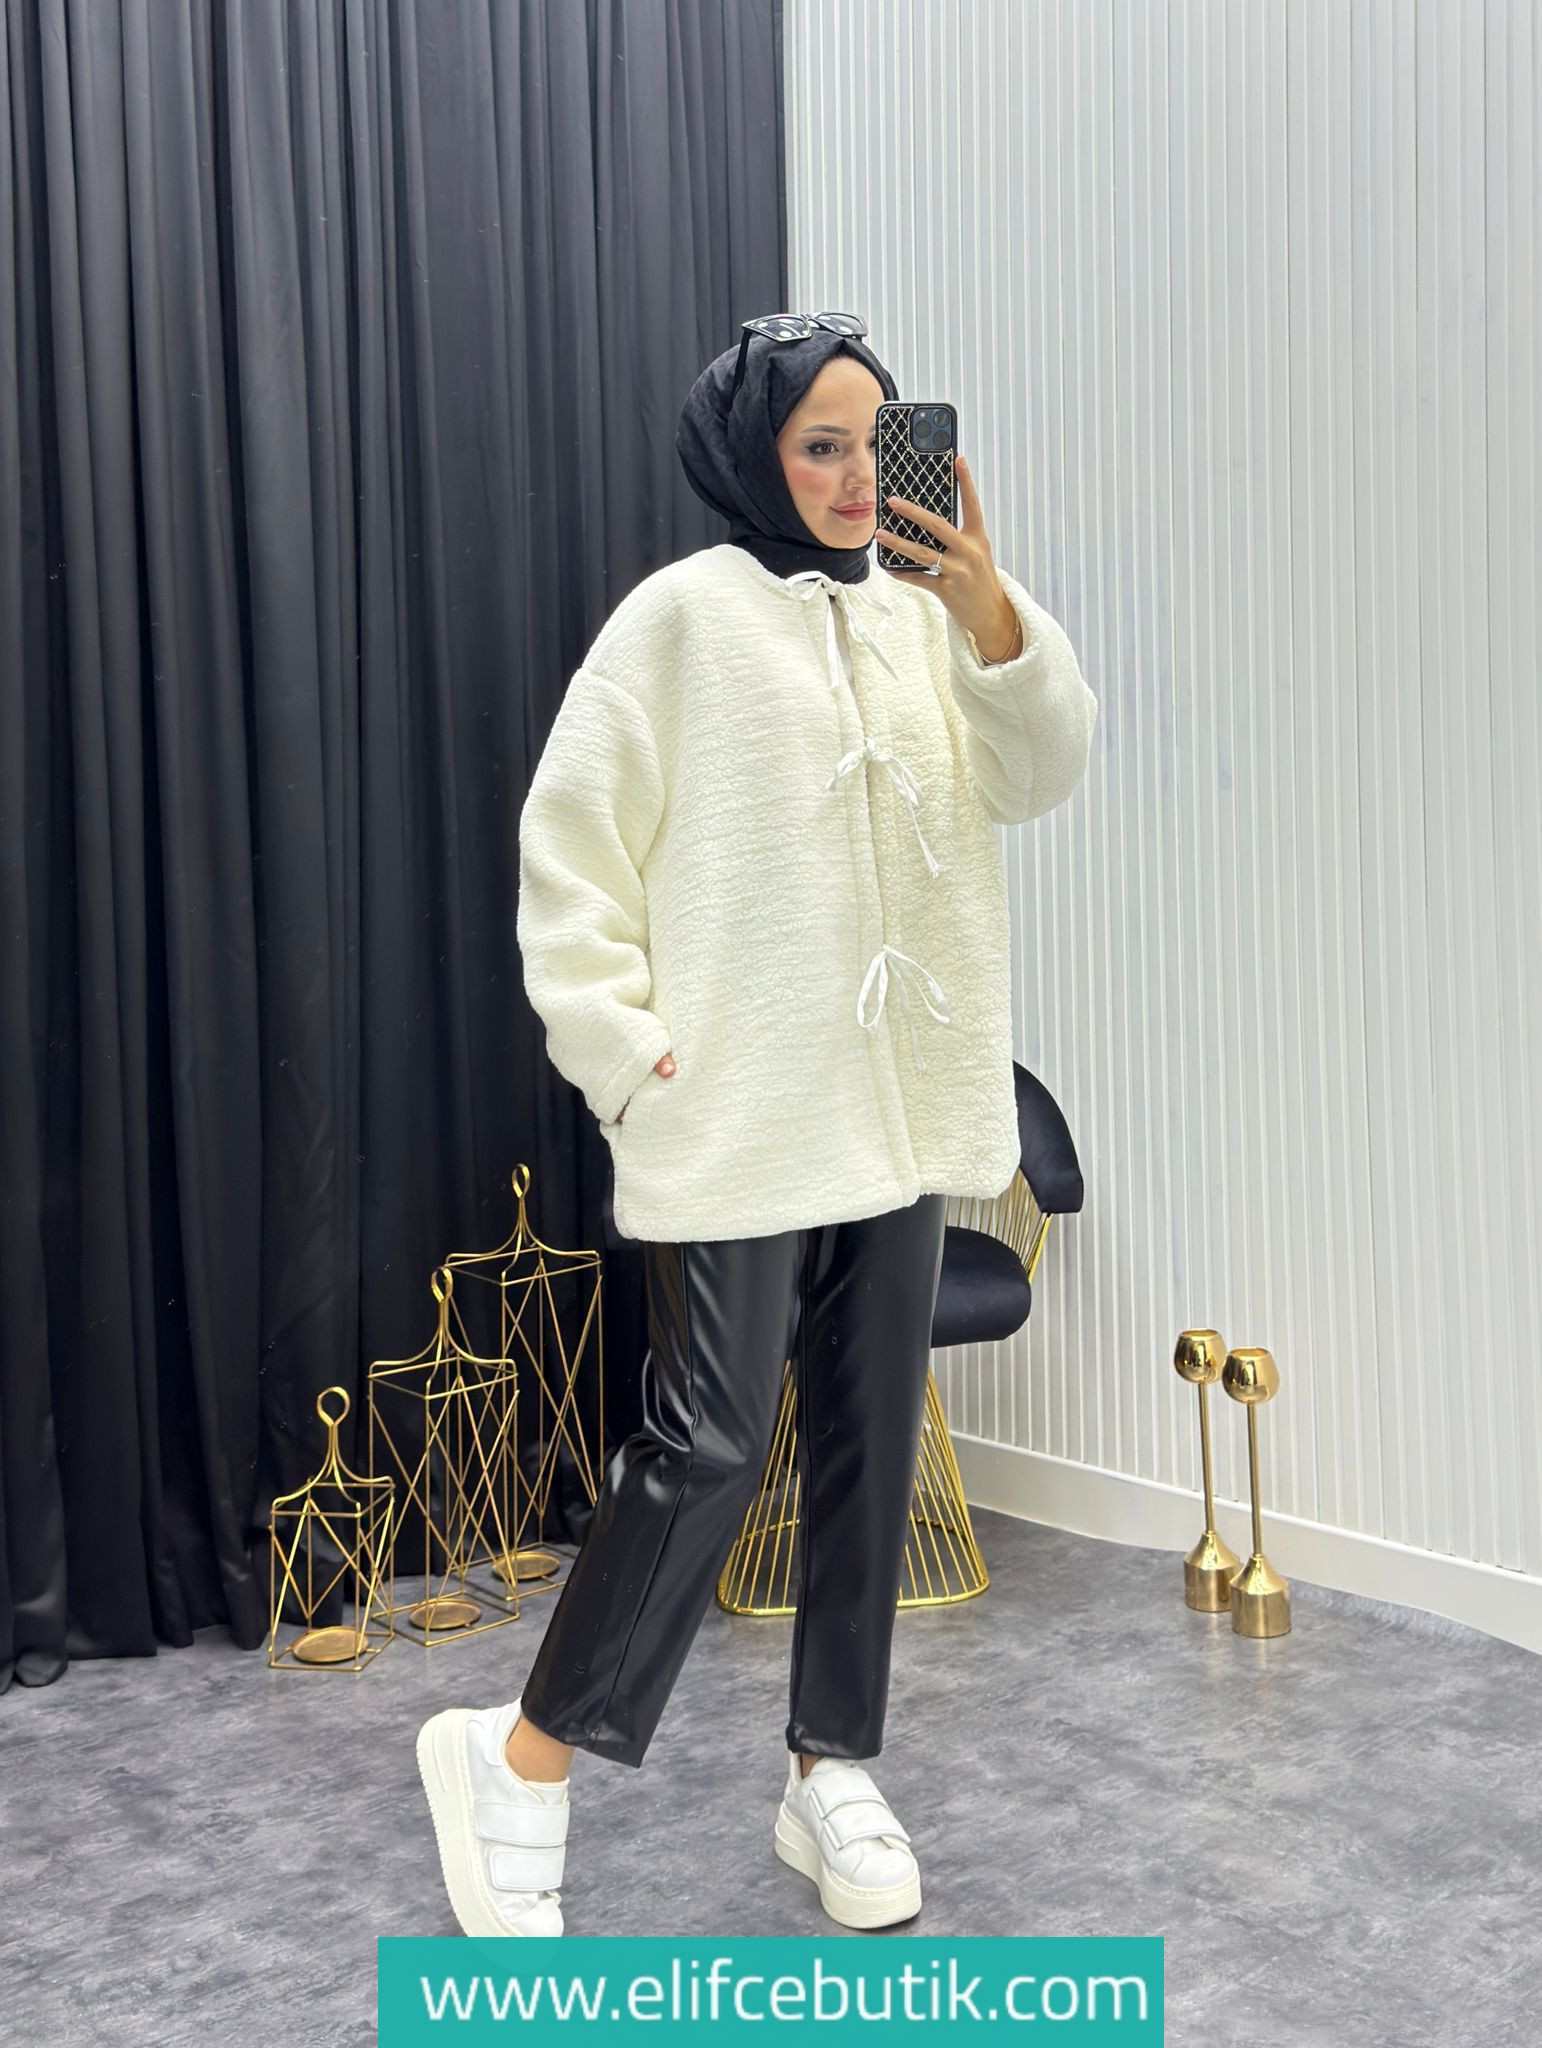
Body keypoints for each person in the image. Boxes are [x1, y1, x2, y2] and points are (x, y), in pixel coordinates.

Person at [416, 318, 1098, 1938]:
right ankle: (519, 1757)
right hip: (735, 1108)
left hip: (901, 1107)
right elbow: (570, 856)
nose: (859, 478)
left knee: (868, 1435)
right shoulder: (678, 621)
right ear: (751, 456)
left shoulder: (936, 618)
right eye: (820, 446)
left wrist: (987, 612)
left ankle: (829, 1768)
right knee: (709, 1442)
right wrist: (630, 1058)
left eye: (877, 441)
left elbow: (1042, 772)